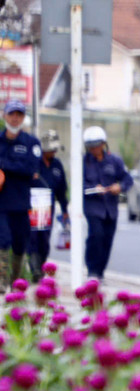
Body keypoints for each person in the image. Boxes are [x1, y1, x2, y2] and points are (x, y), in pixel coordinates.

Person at [81, 126, 132, 283]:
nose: (94, 149)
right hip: (93, 207)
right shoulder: (83, 162)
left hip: (110, 208)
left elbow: (127, 179)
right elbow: (79, 186)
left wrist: (120, 187)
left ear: (103, 144)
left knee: (107, 240)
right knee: (96, 236)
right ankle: (92, 271)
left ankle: (100, 272)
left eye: (97, 145)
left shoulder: (114, 161)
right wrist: (93, 189)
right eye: (91, 146)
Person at [0, 99, 42, 288]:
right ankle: (1, 282)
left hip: (21, 202)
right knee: (4, 239)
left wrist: (4, 165)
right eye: (11, 114)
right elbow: (23, 169)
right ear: (4, 115)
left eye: (19, 115)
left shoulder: (31, 143)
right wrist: (16, 168)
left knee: (19, 243)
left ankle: (14, 281)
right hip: (1, 202)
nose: (15, 118)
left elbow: (31, 169)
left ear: (24, 118)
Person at [27, 130, 68, 279]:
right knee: (32, 238)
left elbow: (62, 190)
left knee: (44, 239)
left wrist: (64, 209)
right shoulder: (34, 163)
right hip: (32, 206)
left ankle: (42, 264)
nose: (53, 152)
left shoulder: (57, 165)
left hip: (48, 208)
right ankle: (35, 269)